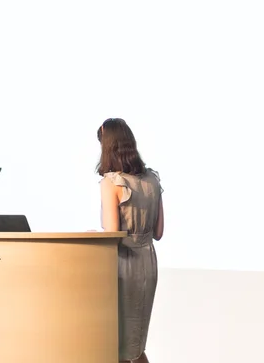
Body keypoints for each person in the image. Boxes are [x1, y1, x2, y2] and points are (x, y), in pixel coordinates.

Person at [97, 118, 164, 363]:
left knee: (120, 346)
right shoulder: (152, 180)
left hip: (123, 265)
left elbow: (113, 234)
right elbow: (158, 232)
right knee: (135, 344)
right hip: (148, 262)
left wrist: (95, 235)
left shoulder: (112, 182)